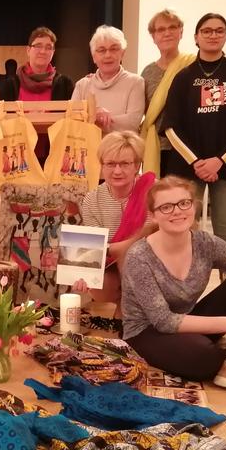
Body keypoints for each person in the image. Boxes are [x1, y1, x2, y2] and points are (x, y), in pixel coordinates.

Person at [122, 176, 226, 396]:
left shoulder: (206, 243)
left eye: (184, 203)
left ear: (194, 205)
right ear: (153, 215)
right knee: (201, 359)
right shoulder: (139, 256)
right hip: (146, 332)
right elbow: (164, 321)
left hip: (186, 322)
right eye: (166, 207)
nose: (177, 211)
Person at [160, 13, 226, 249]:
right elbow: (170, 127)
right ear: (196, 37)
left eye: (219, 30)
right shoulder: (183, 77)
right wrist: (196, 162)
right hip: (187, 165)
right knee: (183, 228)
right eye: (207, 30)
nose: (213, 35)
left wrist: (219, 160)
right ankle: (185, 283)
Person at [74, 131, 156, 317]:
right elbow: (95, 248)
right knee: (98, 286)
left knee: (134, 256)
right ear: (102, 166)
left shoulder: (154, 192)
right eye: (110, 164)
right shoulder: (92, 200)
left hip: (152, 264)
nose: (117, 171)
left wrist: (121, 248)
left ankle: (132, 316)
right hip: (112, 265)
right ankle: (125, 310)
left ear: (137, 166)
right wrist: (79, 271)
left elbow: (153, 237)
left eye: (125, 164)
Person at [0, 27, 74, 162]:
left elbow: (73, 120)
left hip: (54, 157)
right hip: (17, 157)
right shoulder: (9, 85)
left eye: (48, 47)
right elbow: (0, 124)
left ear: (53, 52)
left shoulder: (65, 84)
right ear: (28, 50)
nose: (43, 51)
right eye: (38, 46)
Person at [139, 9, 196, 177]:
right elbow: (146, 111)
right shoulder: (148, 72)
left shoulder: (194, 65)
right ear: (153, 36)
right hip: (157, 147)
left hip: (187, 147)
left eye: (172, 27)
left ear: (181, 32)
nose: (167, 33)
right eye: (161, 29)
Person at [71, 25, 145, 135]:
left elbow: (132, 122)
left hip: (122, 149)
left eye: (114, 49)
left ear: (122, 53)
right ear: (94, 57)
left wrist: (96, 119)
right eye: (101, 50)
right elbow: (72, 120)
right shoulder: (82, 85)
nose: (108, 55)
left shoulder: (135, 82)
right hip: (87, 149)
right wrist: (95, 115)